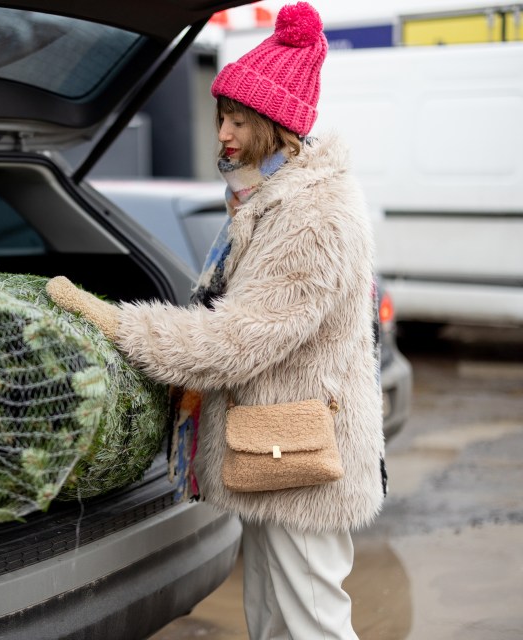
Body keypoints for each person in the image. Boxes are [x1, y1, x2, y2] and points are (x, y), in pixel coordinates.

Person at [46, 3, 385, 638]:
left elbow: (238, 339)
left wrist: (117, 324)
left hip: (304, 464)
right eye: (221, 118)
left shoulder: (310, 214)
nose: (223, 134)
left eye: (237, 120)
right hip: (278, 450)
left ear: (274, 124)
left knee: (313, 625)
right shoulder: (265, 201)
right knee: (272, 621)